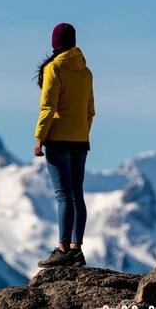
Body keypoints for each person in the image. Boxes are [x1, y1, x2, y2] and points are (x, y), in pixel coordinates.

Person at [33, 23, 95, 268]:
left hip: (58, 139)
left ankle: (62, 249)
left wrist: (40, 137)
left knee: (63, 195)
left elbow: (48, 107)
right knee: (77, 194)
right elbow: (90, 110)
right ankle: (77, 249)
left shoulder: (54, 68)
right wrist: (82, 131)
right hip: (81, 140)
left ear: (54, 42)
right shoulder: (86, 72)